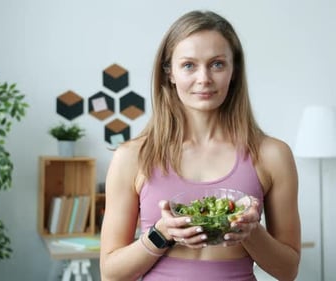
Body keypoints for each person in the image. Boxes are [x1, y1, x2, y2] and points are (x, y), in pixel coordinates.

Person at [99, 9, 301, 281]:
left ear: (234, 71)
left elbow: (288, 271)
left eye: (217, 64)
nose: (204, 78)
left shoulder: (272, 155)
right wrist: (163, 233)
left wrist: (252, 233)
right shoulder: (132, 156)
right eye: (189, 65)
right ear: (169, 73)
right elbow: (111, 274)